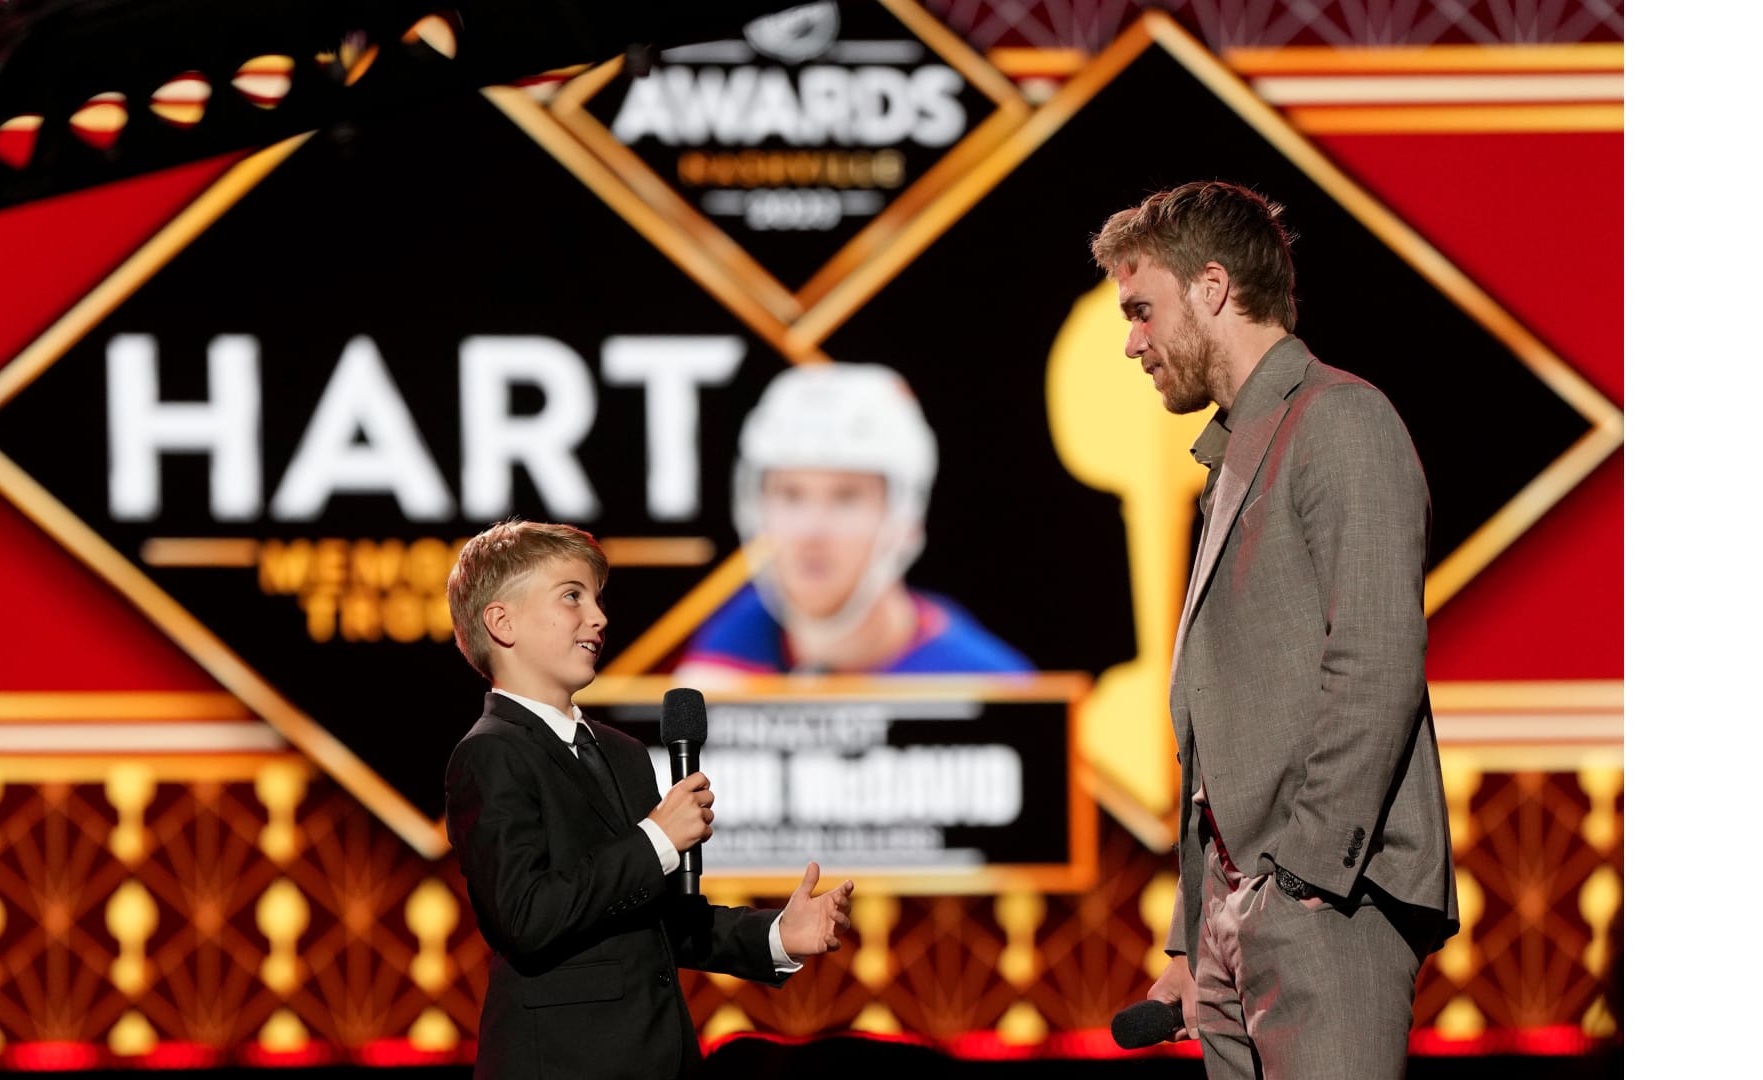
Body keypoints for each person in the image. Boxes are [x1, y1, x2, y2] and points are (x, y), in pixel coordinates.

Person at [1091, 181, 1458, 1077]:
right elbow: (1221, 724)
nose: (1132, 341)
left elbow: (1376, 668)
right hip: (1239, 920)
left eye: (1143, 310)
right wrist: (1193, 939)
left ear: (1213, 289)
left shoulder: (1339, 420)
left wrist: (1300, 884)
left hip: (1330, 906)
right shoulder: (1233, 452)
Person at [443, 519, 855, 1080]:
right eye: (572, 597)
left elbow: (658, 920)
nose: (599, 618)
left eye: (598, 599)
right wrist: (657, 838)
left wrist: (778, 935)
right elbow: (526, 916)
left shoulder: (623, 754)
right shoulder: (491, 755)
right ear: (502, 621)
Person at [676, 362, 1032, 676]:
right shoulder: (729, 640)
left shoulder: (986, 685)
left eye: (846, 497)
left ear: (904, 515)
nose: (810, 530)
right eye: (790, 494)